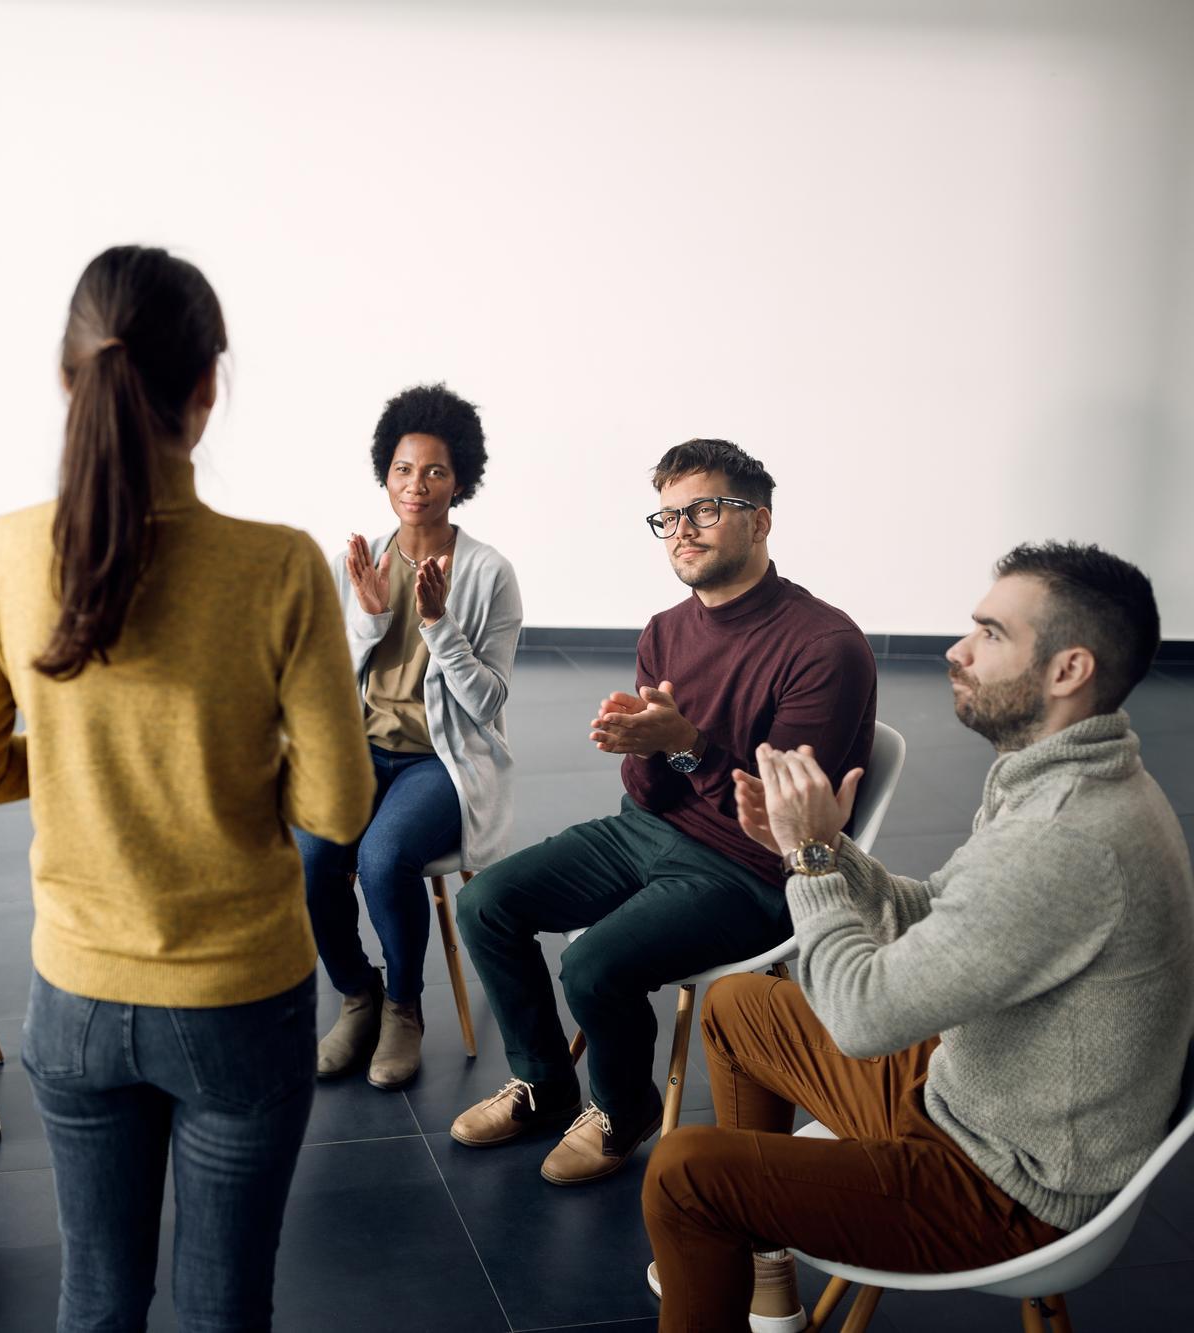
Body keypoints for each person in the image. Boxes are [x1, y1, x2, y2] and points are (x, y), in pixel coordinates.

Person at [0, 245, 374, 1331]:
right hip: (238, 1001)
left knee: (96, 1295)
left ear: (65, 375)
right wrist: (217, 761)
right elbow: (338, 808)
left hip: (74, 1000)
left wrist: (81, 757)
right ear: (206, 388)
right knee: (223, 1305)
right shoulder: (278, 567)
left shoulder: (7, 548)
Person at [642, 541, 1194, 1333]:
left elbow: (862, 1021)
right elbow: (941, 908)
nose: (957, 650)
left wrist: (807, 863)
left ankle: (727, 1236)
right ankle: (761, 1269)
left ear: (1068, 670)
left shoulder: (1066, 838)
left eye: (991, 634)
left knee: (683, 1175)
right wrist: (829, 854)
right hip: (968, 1092)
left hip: (1005, 1187)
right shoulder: (1061, 775)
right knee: (737, 1006)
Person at [451, 440, 876, 1186]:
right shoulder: (664, 629)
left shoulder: (824, 645)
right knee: (486, 901)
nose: (682, 528)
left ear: (760, 520)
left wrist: (684, 745)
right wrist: (651, 749)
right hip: (650, 831)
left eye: (705, 509)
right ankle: (544, 1083)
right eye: (669, 515)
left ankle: (621, 1110)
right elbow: (648, 795)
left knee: (591, 965)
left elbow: (781, 825)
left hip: (751, 874)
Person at [305, 382, 521, 1089]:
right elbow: (328, 678)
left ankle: (403, 1005)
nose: (416, 485)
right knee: (309, 851)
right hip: (360, 748)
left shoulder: (489, 573)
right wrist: (367, 617)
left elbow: (487, 702)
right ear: (384, 473)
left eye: (434, 470)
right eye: (403, 468)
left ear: (460, 478)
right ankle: (357, 994)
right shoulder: (361, 559)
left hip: (442, 759)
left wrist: (437, 624)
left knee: (383, 854)